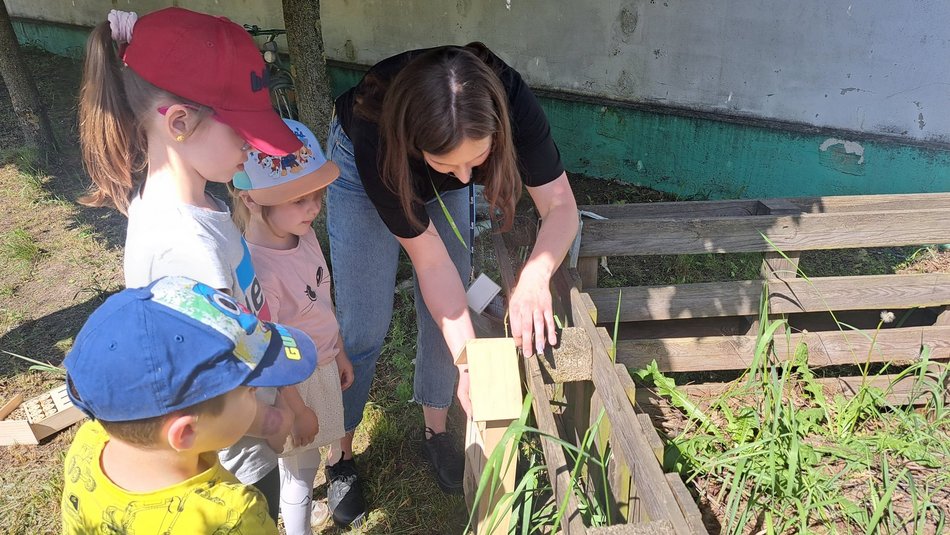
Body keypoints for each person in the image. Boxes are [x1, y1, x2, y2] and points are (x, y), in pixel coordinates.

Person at [325, 42, 579, 515]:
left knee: (449, 314)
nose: (465, 179)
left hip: (420, 153)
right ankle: (339, 455)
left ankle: (435, 430)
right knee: (362, 322)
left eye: (477, 160)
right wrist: (470, 359)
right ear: (416, 143)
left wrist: (535, 276)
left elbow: (562, 208)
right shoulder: (376, 135)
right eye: (448, 163)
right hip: (362, 173)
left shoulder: (509, 100)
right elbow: (430, 262)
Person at [77, 7, 305, 520]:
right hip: (231, 454)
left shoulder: (193, 206)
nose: (253, 148)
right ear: (179, 123)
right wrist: (272, 421)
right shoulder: (186, 250)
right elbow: (198, 383)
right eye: (243, 133)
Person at [60, 276, 317, 534]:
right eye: (250, 389)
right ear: (186, 433)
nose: (258, 391)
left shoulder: (89, 441)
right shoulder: (234, 518)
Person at [231, 119, 359, 530]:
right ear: (252, 200)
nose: (314, 208)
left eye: (316, 196)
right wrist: (297, 407)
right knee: (300, 472)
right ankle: (298, 521)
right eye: (298, 200)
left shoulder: (302, 235)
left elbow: (320, 299)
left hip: (319, 366)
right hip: (293, 386)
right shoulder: (258, 272)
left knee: (307, 463)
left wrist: (337, 350)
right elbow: (267, 348)